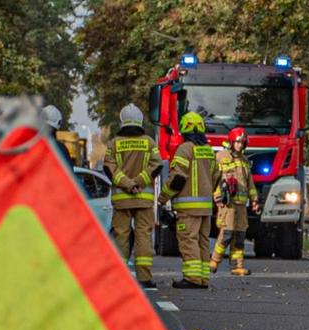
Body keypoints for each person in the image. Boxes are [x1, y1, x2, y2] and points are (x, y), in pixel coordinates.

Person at [159, 111, 216, 289]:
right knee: (203, 241)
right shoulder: (208, 151)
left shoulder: (185, 149)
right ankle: (203, 278)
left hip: (188, 208)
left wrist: (163, 198)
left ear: (184, 129)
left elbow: (177, 178)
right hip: (206, 207)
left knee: (188, 240)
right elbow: (216, 176)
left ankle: (192, 278)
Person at [104, 104, 157, 287]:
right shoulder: (149, 142)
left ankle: (120, 278)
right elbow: (156, 165)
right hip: (144, 198)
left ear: (122, 121)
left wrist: (128, 184)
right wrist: (139, 183)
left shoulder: (113, 144)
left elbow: (109, 168)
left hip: (122, 199)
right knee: (143, 235)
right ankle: (144, 278)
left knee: (121, 236)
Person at [209, 127, 257, 276]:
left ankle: (237, 265)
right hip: (227, 204)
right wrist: (217, 197)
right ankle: (214, 261)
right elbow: (213, 179)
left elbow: (250, 183)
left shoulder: (244, 160)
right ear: (231, 142)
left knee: (240, 236)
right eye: (237, 142)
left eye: (242, 143)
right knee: (227, 233)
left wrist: (254, 200)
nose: (240, 145)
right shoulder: (220, 157)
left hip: (241, 206)